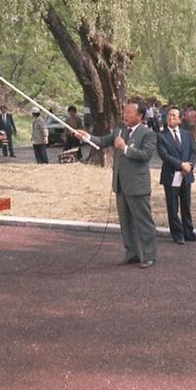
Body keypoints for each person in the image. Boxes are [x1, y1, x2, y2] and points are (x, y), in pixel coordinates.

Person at [74, 101, 157, 268]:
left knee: (143, 222)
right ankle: (132, 252)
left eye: (129, 112)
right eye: (124, 112)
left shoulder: (147, 134)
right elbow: (102, 141)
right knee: (125, 222)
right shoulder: (119, 131)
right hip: (120, 185)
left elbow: (146, 155)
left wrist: (125, 148)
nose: (125, 115)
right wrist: (86, 137)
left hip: (137, 186)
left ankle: (149, 255)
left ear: (139, 116)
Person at [156, 107, 196, 245]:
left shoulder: (187, 134)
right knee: (173, 206)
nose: (171, 118)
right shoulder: (161, 135)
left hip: (186, 175)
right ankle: (177, 234)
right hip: (171, 174)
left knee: (186, 205)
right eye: (169, 115)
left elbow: (193, 152)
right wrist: (181, 165)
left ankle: (189, 233)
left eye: (174, 116)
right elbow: (164, 155)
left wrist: (189, 166)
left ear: (180, 119)